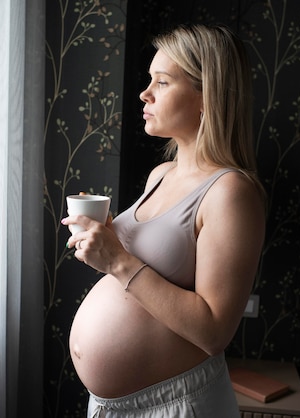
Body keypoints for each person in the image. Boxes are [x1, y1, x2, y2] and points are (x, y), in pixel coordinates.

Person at [62, 23, 266, 417]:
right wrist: (100, 242)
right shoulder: (162, 174)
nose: (145, 93)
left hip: (175, 404)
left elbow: (213, 332)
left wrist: (117, 261)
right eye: (149, 80)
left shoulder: (230, 193)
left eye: (163, 82)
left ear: (207, 97)